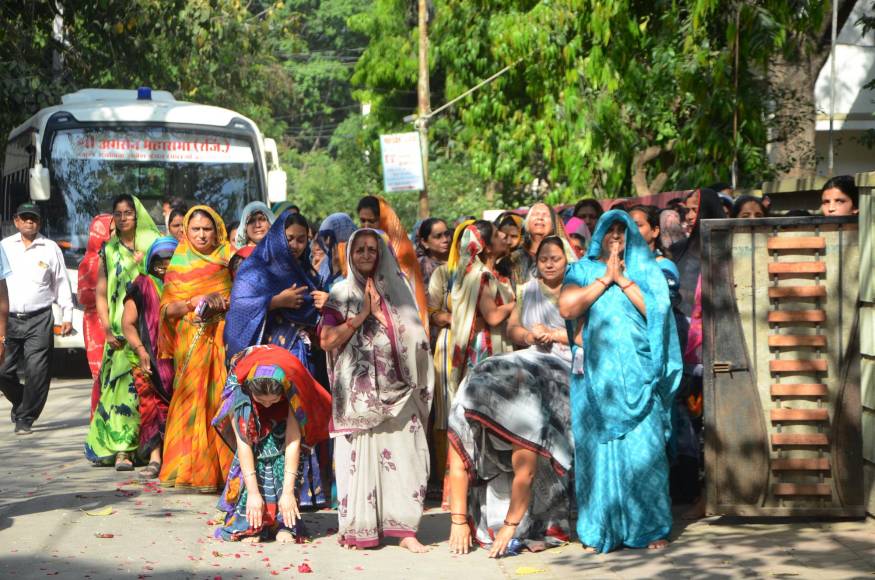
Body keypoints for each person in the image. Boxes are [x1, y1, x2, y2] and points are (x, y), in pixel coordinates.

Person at [559, 210, 682, 553]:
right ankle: (600, 529)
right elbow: (568, 308)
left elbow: (657, 313)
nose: (616, 235)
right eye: (609, 229)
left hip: (641, 379)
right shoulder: (582, 270)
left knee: (647, 456)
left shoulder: (647, 271)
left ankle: (651, 527)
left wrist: (623, 280)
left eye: (622, 230)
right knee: (596, 457)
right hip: (596, 383)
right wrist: (604, 279)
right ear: (598, 234)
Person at [447, 236, 574, 558]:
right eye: (542, 257)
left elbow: (526, 471)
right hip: (523, 358)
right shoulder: (465, 405)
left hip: (557, 363)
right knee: (494, 366)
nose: (548, 262)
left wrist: (509, 527)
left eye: (555, 257)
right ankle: (496, 521)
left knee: (530, 402)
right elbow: (458, 463)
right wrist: (457, 522)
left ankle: (541, 524)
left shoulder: (576, 289)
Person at [319, 229, 433, 552]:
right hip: (357, 394)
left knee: (405, 457)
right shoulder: (340, 294)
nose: (367, 255)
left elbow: (418, 338)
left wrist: (388, 319)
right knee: (360, 460)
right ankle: (361, 527)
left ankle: (405, 530)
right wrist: (364, 314)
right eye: (360, 250)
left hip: (399, 391)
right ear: (350, 255)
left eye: (373, 249)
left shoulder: (399, 292)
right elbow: (327, 340)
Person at [226, 211, 329, 508]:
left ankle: (299, 496)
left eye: (301, 239)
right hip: (269, 363)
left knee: (297, 422)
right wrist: (275, 302)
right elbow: (239, 310)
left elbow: (315, 311)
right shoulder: (255, 270)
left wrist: (324, 302)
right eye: (290, 238)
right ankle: (258, 497)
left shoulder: (305, 271)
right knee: (266, 427)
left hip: (301, 357)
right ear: (276, 238)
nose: (296, 245)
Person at [213, 345, 331, 542]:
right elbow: (244, 445)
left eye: (273, 400)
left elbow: (293, 441)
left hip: (283, 432)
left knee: (283, 467)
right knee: (254, 474)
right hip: (253, 431)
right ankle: (254, 526)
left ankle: (285, 525)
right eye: (261, 400)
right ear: (250, 391)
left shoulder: (292, 389)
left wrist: (287, 492)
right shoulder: (239, 392)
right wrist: (252, 493)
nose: (267, 405)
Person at [159, 206, 234, 491]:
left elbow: (244, 294)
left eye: (207, 229)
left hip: (222, 337)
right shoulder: (179, 261)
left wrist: (221, 302)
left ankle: (219, 471)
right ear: (186, 232)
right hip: (190, 338)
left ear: (217, 230)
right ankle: (186, 468)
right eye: (196, 229)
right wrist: (194, 302)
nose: (202, 235)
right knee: (191, 401)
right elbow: (167, 310)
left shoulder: (229, 257)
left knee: (219, 401)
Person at [85, 194, 160, 469]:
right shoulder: (108, 249)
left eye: (129, 212)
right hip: (118, 331)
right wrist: (105, 328)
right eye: (118, 213)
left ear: (137, 215)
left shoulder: (152, 243)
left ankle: (149, 448)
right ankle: (122, 450)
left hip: (148, 329)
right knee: (119, 392)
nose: (124, 217)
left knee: (148, 390)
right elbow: (101, 292)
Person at [0, 203, 74, 435]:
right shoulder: (4, 246)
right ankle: (23, 400)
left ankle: (25, 417)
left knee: (37, 371)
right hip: (8, 318)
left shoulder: (50, 248)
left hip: (40, 318)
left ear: (40, 222)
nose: (30, 222)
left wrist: (67, 313)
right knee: (3, 371)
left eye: (34, 219)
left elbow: (62, 282)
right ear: (16, 220)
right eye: (25, 218)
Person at [119, 237, 178, 478]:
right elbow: (128, 324)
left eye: (170, 261)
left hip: (180, 359)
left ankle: (175, 458)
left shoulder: (187, 284)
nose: (164, 267)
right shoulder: (142, 284)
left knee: (177, 408)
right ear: (151, 263)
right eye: (159, 262)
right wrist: (141, 350)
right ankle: (155, 457)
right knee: (152, 407)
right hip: (149, 359)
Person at [447, 220, 515, 399]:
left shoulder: (492, 274)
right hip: (486, 347)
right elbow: (492, 316)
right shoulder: (481, 277)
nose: (502, 236)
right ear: (488, 248)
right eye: (495, 234)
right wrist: (517, 304)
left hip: (495, 341)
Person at [365, 196, 430, 334]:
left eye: (371, 221)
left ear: (383, 220)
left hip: (403, 326)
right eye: (362, 221)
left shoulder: (401, 254)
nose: (366, 226)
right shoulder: (368, 250)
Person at [78, 214, 114, 413]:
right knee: (101, 375)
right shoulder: (89, 262)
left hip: (118, 320)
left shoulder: (122, 255)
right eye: (110, 231)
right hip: (96, 324)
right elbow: (84, 297)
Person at [670, 188, 725, 317]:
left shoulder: (727, 250)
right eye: (687, 211)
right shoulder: (677, 249)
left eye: (695, 210)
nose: (689, 217)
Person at [507, 202, 573, 290]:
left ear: (554, 225)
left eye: (545, 215)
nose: (540, 218)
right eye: (535, 214)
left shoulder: (565, 253)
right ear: (527, 224)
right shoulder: (514, 258)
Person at [315, 213, 356, 291]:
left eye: (330, 236)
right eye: (325, 237)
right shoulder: (326, 262)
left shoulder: (357, 260)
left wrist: (336, 271)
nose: (327, 241)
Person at [416, 218, 451, 288]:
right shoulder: (421, 267)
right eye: (438, 236)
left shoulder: (461, 261)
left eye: (447, 234)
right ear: (424, 242)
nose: (445, 240)